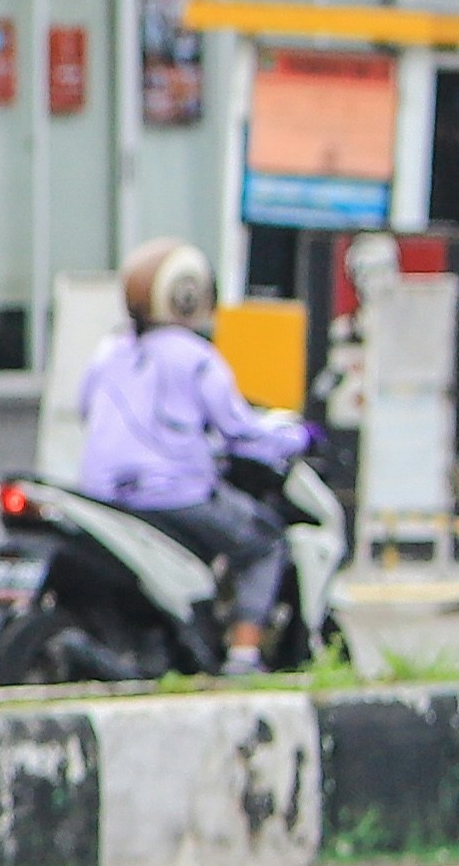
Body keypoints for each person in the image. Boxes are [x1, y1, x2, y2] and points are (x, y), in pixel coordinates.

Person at [76, 239, 311, 670]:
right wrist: (299, 436)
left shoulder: (111, 351)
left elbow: (84, 408)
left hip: (103, 495)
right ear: (190, 295)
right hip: (174, 495)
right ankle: (244, 655)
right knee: (265, 542)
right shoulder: (197, 358)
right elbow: (240, 431)